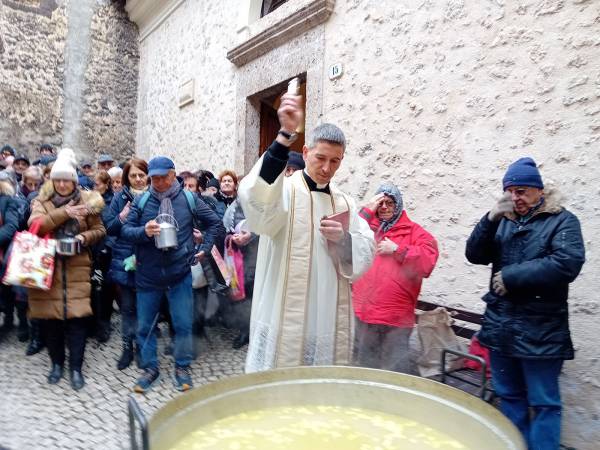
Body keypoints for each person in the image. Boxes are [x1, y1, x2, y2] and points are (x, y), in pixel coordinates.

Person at [238, 92, 375, 373]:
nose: (327, 168)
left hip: (325, 318)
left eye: (335, 161)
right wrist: (286, 133)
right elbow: (255, 197)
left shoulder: (345, 202)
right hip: (282, 314)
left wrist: (345, 241)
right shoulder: (284, 191)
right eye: (321, 158)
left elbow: (366, 250)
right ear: (306, 153)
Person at [465, 157, 585, 450]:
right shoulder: (502, 221)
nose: (515, 198)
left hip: (540, 332)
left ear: (539, 191)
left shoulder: (562, 220)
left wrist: (513, 276)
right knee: (510, 397)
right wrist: (489, 219)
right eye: (510, 191)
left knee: (544, 404)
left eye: (522, 191)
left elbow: (567, 262)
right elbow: (474, 254)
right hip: (502, 328)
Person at [122, 156, 224, 393]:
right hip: (148, 275)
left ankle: (182, 366)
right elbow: (125, 231)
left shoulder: (189, 198)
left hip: (179, 274)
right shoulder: (142, 200)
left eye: (161, 177)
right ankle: (150, 368)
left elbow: (215, 223)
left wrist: (204, 249)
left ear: (172, 174)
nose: (156, 182)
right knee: (145, 325)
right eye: (153, 177)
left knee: (182, 324)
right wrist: (143, 231)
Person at [27, 148, 106, 390]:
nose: (62, 184)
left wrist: (84, 238)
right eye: (58, 179)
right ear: (52, 181)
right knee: (52, 322)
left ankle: (75, 369)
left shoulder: (88, 202)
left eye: (67, 180)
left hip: (76, 269)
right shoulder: (41, 201)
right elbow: (35, 226)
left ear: (73, 181)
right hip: (48, 269)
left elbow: (100, 230)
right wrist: (64, 213)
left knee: (77, 322)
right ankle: (56, 365)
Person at [352, 182, 438, 373]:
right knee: (366, 368)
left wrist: (398, 250)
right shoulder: (366, 229)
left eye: (389, 203)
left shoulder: (414, 232)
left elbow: (428, 262)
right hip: (365, 315)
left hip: (396, 319)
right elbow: (348, 237)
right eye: (380, 203)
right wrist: (366, 211)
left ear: (398, 205)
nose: (384, 207)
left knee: (395, 370)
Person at [104, 158, 149, 369]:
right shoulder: (120, 197)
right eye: (133, 175)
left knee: (144, 308)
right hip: (124, 258)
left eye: (141, 174)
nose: (138, 179)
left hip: (148, 259)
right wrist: (122, 217)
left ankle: (141, 348)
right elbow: (109, 227)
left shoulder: (154, 196)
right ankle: (126, 348)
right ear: (126, 178)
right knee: (127, 307)